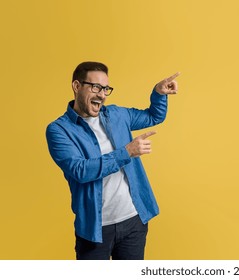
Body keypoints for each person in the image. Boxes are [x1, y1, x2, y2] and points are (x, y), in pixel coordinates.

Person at [46, 61, 179, 260]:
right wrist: (126, 152)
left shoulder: (117, 114)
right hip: (95, 230)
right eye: (95, 87)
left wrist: (159, 94)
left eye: (105, 89)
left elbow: (153, 117)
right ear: (76, 86)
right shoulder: (59, 130)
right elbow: (80, 171)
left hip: (134, 220)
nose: (101, 94)